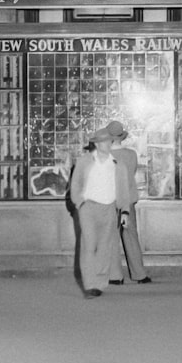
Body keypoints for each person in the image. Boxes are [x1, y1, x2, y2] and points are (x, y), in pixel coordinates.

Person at [69, 125, 132, 298]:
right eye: (104, 141)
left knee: (105, 247)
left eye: (110, 141)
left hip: (109, 209)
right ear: (97, 144)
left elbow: (123, 191)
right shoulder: (84, 162)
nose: (108, 144)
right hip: (88, 208)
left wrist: (124, 211)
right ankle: (90, 284)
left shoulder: (118, 165)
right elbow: (75, 185)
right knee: (89, 245)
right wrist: (79, 203)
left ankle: (100, 283)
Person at [105, 120, 151, 286]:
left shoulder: (104, 156)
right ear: (121, 137)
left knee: (111, 238)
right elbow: (130, 174)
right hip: (128, 200)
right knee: (131, 236)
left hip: (109, 201)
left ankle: (115, 276)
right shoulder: (131, 154)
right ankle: (139, 274)